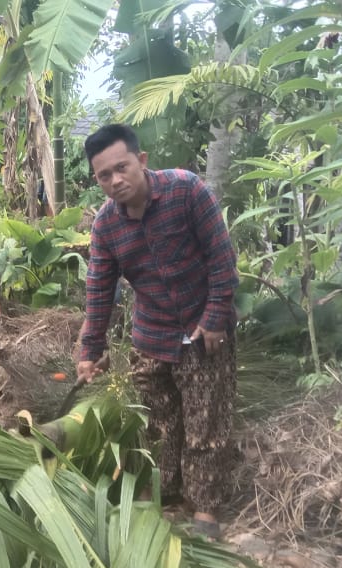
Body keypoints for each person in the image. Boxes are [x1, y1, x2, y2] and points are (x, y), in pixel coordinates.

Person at [76, 124, 239, 540]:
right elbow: (99, 288)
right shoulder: (106, 226)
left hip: (203, 330)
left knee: (206, 423)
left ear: (141, 161)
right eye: (103, 176)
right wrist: (90, 348)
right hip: (152, 335)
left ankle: (204, 506)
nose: (115, 181)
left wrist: (216, 316)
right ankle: (167, 491)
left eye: (121, 168)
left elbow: (222, 259)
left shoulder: (187, 192)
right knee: (160, 422)